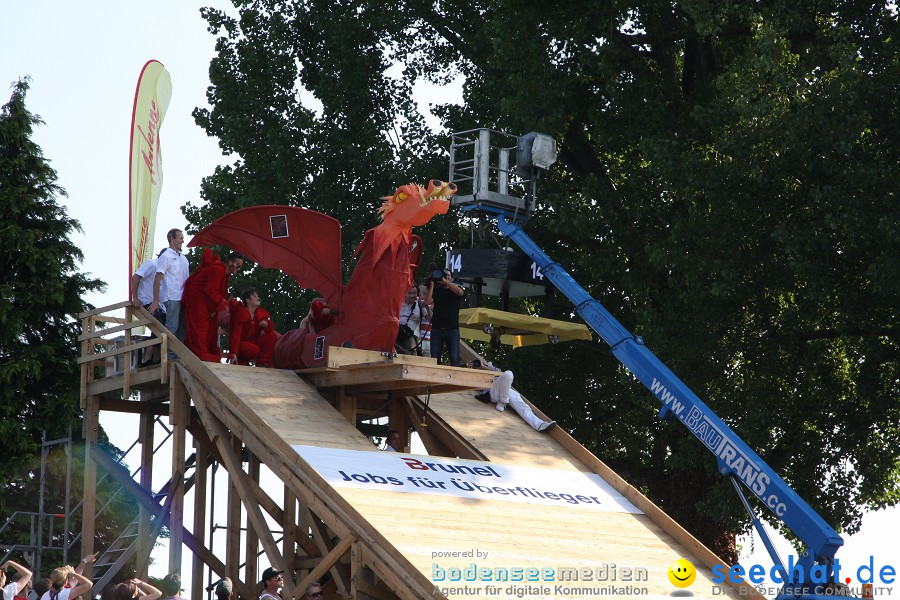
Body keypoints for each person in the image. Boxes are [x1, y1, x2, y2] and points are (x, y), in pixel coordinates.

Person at [183, 250, 244, 362]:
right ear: (230, 262)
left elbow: (216, 292)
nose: (238, 269)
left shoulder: (226, 274)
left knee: (211, 327)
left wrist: (215, 308)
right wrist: (222, 303)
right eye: (238, 265)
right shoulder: (218, 269)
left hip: (207, 302)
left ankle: (208, 353)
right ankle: (200, 354)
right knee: (201, 327)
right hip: (198, 299)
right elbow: (210, 290)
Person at [470, 360, 556, 433]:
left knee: (509, 374)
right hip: (492, 392)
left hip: (506, 391)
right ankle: (503, 402)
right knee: (507, 379)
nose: (478, 366)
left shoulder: (492, 370)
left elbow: (501, 373)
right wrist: (471, 368)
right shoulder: (475, 374)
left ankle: (539, 425)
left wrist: (484, 367)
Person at [151, 228, 190, 357]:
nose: (182, 240)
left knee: (183, 329)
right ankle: (168, 358)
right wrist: (156, 300)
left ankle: (179, 356)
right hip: (171, 297)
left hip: (184, 298)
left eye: (182, 238)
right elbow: (158, 278)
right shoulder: (166, 256)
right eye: (180, 238)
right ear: (172, 239)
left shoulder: (184, 258)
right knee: (172, 328)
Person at [131, 250, 168, 366]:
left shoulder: (164, 269)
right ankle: (148, 359)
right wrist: (135, 298)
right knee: (158, 327)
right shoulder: (151, 264)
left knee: (163, 330)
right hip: (147, 302)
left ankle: (155, 360)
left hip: (159, 304)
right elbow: (136, 277)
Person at [227, 288, 279, 367]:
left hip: (253, 343)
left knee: (271, 335)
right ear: (248, 300)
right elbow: (236, 334)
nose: (258, 298)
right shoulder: (241, 313)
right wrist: (233, 353)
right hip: (241, 345)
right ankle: (241, 361)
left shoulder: (259, 313)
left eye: (257, 296)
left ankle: (263, 362)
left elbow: (271, 327)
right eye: (255, 296)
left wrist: (266, 324)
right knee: (254, 349)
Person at [423, 268, 464, 366]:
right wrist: (432, 284)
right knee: (434, 359)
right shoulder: (437, 290)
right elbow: (426, 302)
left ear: (452, 278)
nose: (447, 277)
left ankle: (455, 380)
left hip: (452, 329)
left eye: (449, 275)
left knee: (455, 358)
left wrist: (446, 282)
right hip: (437, 329)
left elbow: (460, 293)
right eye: (445, 275)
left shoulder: (455, 289)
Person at [396, 286, 429, 355]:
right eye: (409, 293)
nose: (412, 296)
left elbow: (429, 318)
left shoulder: (420, 304)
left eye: (414, 293)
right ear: (405, 293)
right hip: (397, 333)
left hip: (411, 335)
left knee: (410, 354)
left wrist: (427, 307)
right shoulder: (399, 302)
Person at [417, 282, 433, 357]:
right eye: (424, 285)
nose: (426, 288)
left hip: (429, 338)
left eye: (428, 286)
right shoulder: (415, 300)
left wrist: (425, 305)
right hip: (417, 337)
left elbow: (429, 318)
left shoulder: (434, 302)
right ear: (420, 286)